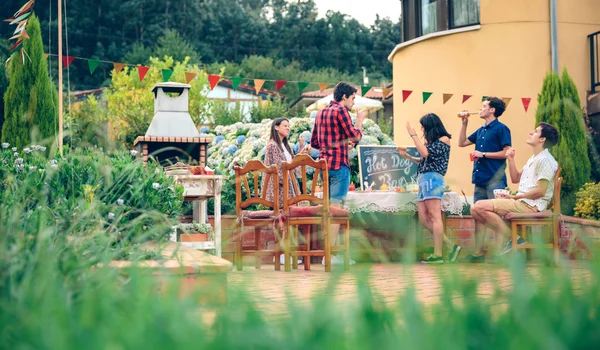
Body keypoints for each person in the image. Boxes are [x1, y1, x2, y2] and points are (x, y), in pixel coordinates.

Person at [470, 122, 559, 256]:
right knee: (476, 208)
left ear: (542, 139)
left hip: (531, 206)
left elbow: (541, 191)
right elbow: (515, 178)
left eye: (535, 131)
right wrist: (510, 159)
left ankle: (513, 239)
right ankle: (514, 239)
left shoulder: (545, 160)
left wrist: (515, 197)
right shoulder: (534, 158)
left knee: (478, 207)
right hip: (522, 202)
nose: (531, 132)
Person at [310, 82, 365, 265]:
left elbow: (316, 143)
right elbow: (355, 136)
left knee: (328, 212)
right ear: (344, 97)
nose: (353, 103)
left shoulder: (321, 112)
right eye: (352, 98)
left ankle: (329, 253)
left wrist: (342, 144)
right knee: (335, 212)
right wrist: (359, 121)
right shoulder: (341, 111)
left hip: (325, 167)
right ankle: (330, 255)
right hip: (339, 167)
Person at [398, 113, 462, 264]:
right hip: (424, 178)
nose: (421, 130)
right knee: (423, 218)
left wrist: (412, 134)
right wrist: (408, 157)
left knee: (434, 216)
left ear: (431, 126)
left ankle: (438, 254)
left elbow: (425, 153)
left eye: (423, 127)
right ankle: (451, 246)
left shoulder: (444, 139)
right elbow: (425, 158)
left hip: (433, 179)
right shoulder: (432, 142)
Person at [458, 96, 512, 263]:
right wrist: (464, 124)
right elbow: (462, 143)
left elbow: (507, 152)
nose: (480, 109)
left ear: (492, 110)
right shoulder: (481, 130)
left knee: (496, 216)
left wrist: (484, 154)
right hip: (480, 179)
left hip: (495, 179)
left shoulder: (502, 129)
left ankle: (500, 254)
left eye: (483, 106)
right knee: (478, 216)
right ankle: (477, 253)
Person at [263, 117, 309, 264]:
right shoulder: (272, 146)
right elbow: (278, 168)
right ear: (276, 127)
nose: (288, 128)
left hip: (289, 187)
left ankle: (287, 252)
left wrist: (302, 152)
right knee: (286, 219)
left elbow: (291, 166)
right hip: (280, 189)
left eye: (289, 126)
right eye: (285, 125)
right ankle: (283, 253)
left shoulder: (284, 146)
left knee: (290, 219)